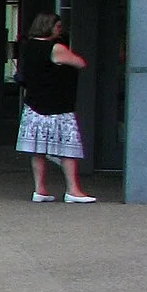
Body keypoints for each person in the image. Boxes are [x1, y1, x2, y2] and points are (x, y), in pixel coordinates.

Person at [16, 13, 94, 203]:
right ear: (48, 27)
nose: (60, 30)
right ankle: (73, 190)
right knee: (68, 149)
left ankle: (39, 189)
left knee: (38, 150)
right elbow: (80, 63)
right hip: (58, 106)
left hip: (34, 106)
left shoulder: (29, 47)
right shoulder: (56, 48)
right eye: (58, 26)